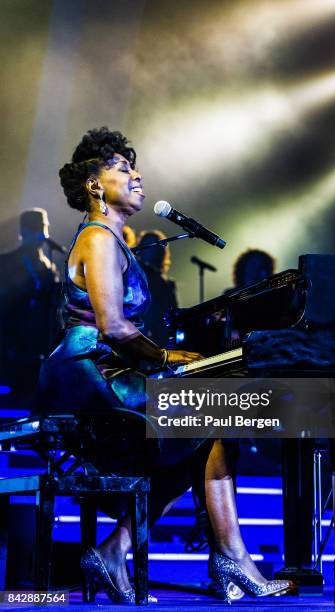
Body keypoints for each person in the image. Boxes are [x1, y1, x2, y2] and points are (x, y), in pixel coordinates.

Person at [38, 127, 290, 604]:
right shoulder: (97, 238)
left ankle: (122, 551)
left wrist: (167, 360)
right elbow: (112, 327)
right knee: (217, 411)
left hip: (104, 368)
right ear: (94, 185)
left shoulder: (110, 239)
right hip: (90, 374)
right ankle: (229, 559)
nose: (136, 177)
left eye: (134, 169)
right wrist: (167, 357)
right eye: (122, 169)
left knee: (207, 428)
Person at [0, 208, 59, 404]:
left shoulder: (47, 266)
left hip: (41, 343)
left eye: (42, 228)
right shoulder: (7, 262)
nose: (41, 233)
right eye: (35, 228)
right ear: (23, 231)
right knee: (18, 400)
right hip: (15, 344)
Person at [136, 229, 178, 345]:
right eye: (149, 245)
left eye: (158, 245)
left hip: (163, 338)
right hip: (143, 337)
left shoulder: (168, 284)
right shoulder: (136, 274)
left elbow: (172, 312)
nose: (153, 249)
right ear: (141, 248)